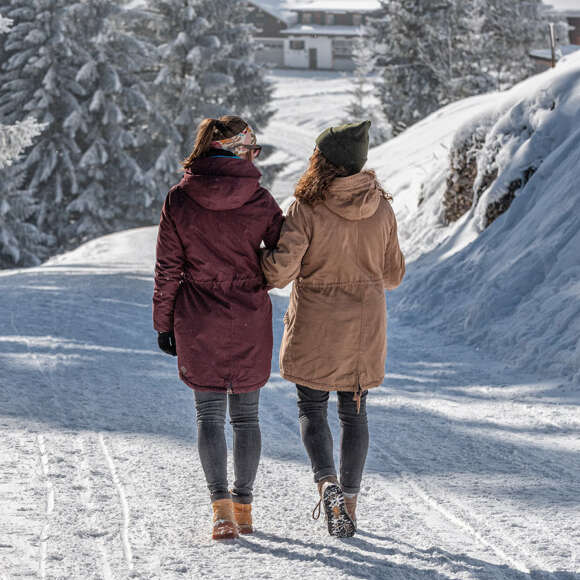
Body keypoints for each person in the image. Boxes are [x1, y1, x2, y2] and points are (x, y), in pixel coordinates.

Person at [261, 121, 405, 538]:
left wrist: (262, 259)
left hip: (316, 325)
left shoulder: (306, 208)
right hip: (365, 327)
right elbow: (393, 274)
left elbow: (280, 273)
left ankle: (327, 484)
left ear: (323, 161)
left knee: (311, 408)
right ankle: (352, 505)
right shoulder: (381, 206)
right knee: (354, 414)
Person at [153, 116, 283, 540]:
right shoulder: (260, 199)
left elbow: (167, 270)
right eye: (252, 148)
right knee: (246, 418)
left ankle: (220, 509)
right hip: (248, 313)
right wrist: (264, 276)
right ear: (239, 149)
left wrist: (163, 322)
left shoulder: (179, 199)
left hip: (197, 314)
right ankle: (244, 507)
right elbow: (286, 250)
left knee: (208, 414)